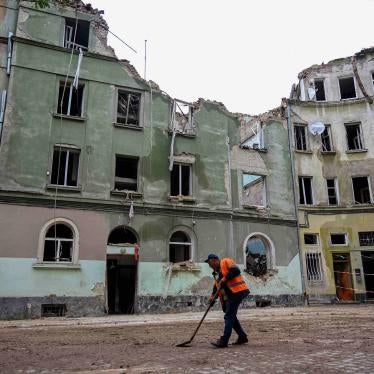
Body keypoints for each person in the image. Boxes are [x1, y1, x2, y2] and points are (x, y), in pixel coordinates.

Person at [205, 253, 250, 348]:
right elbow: (216, 286)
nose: (209, 266)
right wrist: (213, 297)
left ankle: (224, 340)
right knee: (231, 316)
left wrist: (225, 278)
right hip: (229, 296)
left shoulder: (226, 261)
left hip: (237, 292)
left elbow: (236, 270)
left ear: (215, 260)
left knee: (229, 316)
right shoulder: (216, 273)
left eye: (210, 263)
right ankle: (242, 337)